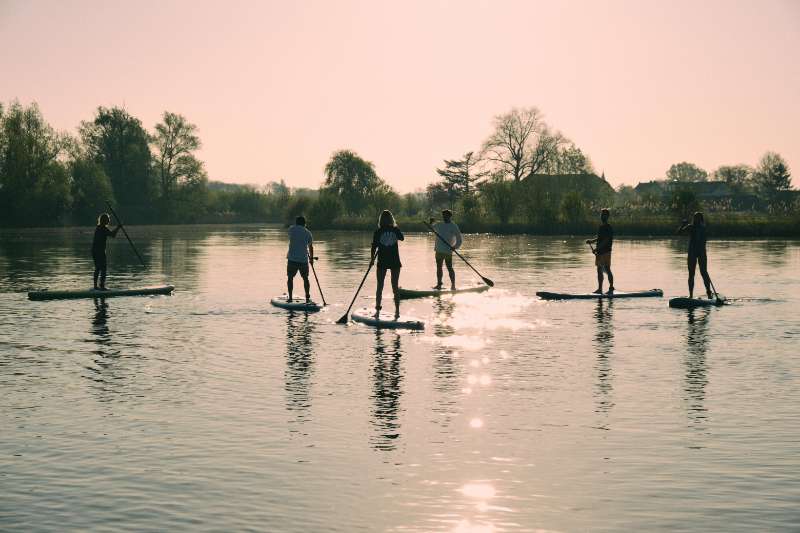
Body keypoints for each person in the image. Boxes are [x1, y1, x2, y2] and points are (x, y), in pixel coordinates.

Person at [371, 210, 404, 318]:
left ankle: (377, 311)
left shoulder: (378, 231)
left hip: (384, 261)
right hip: (393, 261)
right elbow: (402, 237)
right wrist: (394, 229)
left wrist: (372, 259)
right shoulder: (394, 229)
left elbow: (373, 247)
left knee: (380, 286)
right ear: (391, 219)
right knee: (395, 287)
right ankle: (397, 311)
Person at [678, 212, 713, 299]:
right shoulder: (690, 227)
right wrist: (683, 225)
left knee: (704, 272)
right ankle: (691, 295)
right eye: (695, 218)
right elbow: (679, 233)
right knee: (691, 274)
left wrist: (685, 226)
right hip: (692, 253)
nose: (695, 220)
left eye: (697, 218)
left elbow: (703, 239)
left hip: (701, 253)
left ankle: (709, 292)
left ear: (701, 219)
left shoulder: (703, 228)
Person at [431, 209, 463, 290]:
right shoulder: (439, 224)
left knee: (449, 268)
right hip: (438, 250)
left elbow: (459, 239)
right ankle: (439, 284)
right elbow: (431, 227)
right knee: (439, 267)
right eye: (443, 215)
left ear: (449, 216)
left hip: (448, 251)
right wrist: (431, 222)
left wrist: (455, 247)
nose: (444, 217)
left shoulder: (453, 226)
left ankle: (453, 285)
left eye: (446, 215)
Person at [586, 208, 615, 294]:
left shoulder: (608, 227)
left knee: (607, 269)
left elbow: (606, 240)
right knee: (599, 269)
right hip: (600, 252)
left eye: (603, 215)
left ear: (607, 216)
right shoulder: (601, 227)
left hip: (606, 252)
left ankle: (610, 288)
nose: (602, 216)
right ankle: (600, 289)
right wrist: (591, 241)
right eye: (601, 215)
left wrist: (597, 249)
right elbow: (599, 239)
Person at [286, 215, 314, 302]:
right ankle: (307, 296)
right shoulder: (308, 233)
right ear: (304, 223)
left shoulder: (291, 229)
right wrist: (311, 259)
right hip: (303, 260)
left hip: (292, 259)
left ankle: (290, 297)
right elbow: (310, 247)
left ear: (296, 223)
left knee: (290, 278)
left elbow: (290, 230)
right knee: (305, 278)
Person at [92, 213, 121, 290]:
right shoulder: (103, 228)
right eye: (108, 220)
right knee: (103, 268)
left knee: (98, 268)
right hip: (99, 251)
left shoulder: (98, 227)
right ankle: (101, 286)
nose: (108, 221)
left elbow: (111, 234)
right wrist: (118, 227)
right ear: (104, 221)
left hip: (95, 251)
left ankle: (96, 286)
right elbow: (113, 235)